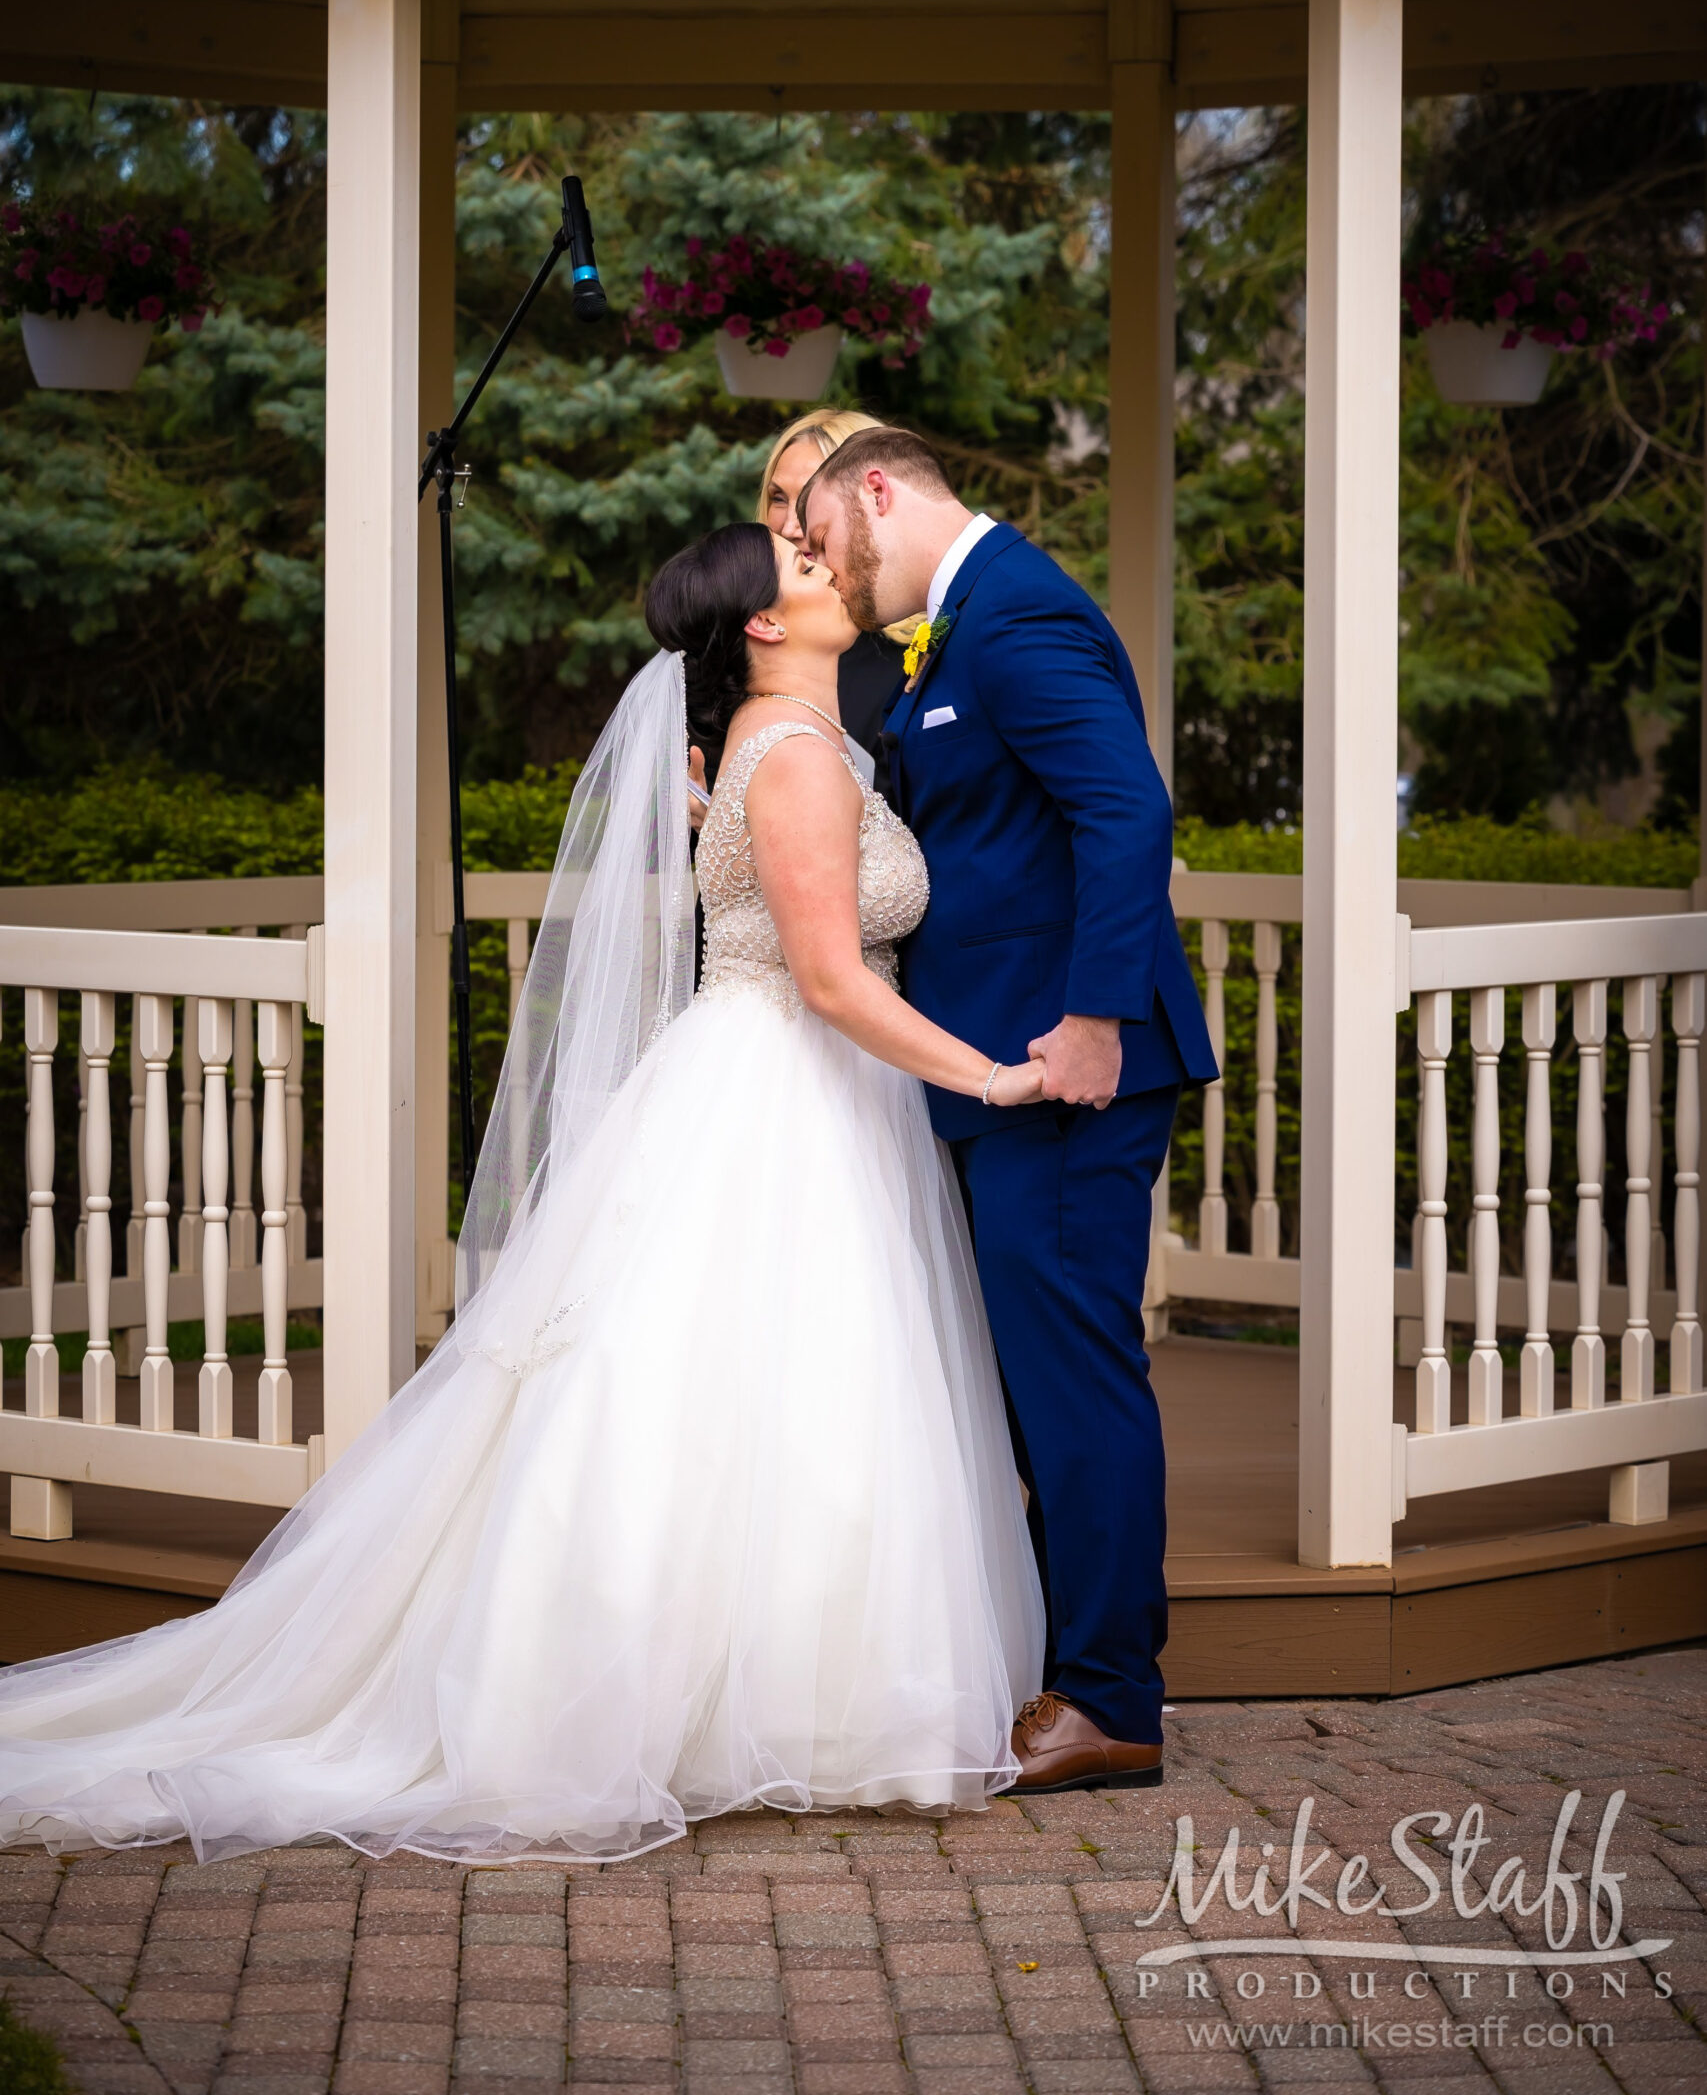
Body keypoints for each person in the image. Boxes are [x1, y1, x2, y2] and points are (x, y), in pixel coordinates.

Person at [0, 524, 1046, 1865]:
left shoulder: (793, 748)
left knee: (776, 1389)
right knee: (773, 1379)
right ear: (762, 631)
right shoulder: (792, 760)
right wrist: (989, 1080)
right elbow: (833, 980)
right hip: (785, 1083)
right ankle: (764, 1704)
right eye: (795, 563)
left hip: (796, 1086)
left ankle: (792, 1695)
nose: (826, 564)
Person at [800, 426, 1218, 1795]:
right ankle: (1068, 1664)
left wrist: (1093, 1018)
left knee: (1071, 1372)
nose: (825, 566)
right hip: (1001, 1064)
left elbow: (1122, 812)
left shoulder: (1017, 610)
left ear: (877, 491)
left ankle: (1109, 1699)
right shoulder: (954, 625)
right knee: (1035, 1376)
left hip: (1056, 1066)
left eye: (820, 530)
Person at [754, 407, 913, 758]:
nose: (789, 528)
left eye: (812, 500)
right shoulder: (745, 652)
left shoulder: (915, 665)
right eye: (778, 498)